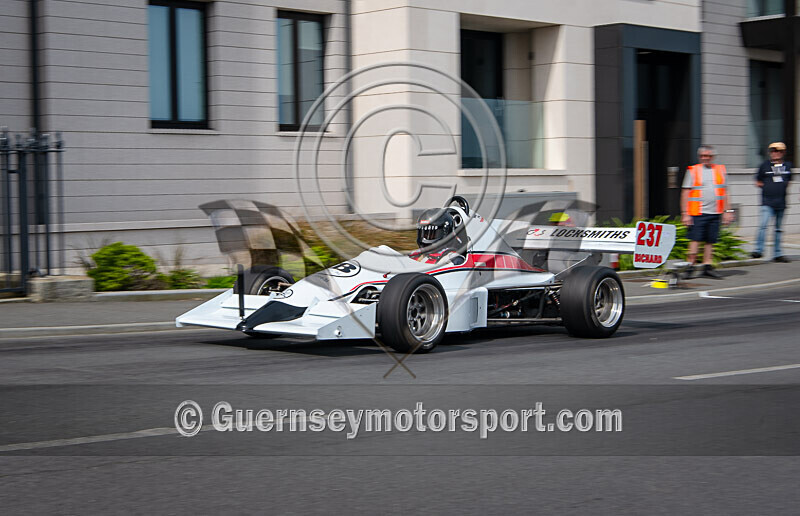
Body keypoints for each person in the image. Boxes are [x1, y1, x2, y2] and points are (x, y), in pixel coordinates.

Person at [681, 145, 734, 278]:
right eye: (703, 156)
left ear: (713, 157)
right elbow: (685, 192)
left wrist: (728, 211)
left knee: (711, 241)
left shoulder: (720, 170)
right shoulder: (693, 170)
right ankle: (690, 267)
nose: (706, 158)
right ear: (699, 157)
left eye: (708, 156)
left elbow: (725, 192)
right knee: (695, 240)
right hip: (697, 212)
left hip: (715, 212)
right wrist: (685, 213)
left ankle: (707, 267)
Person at [753, 142, 793, 262]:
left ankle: (778, 254)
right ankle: (758, 250)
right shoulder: (764, 165)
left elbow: (789, 181)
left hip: (781, 202)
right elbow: (758, 181)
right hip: (767, 202)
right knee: (763, 225)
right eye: (773, 151)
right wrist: (768, 188)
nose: (775, 153)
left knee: (778, 229)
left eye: (778, 151)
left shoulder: (788, 165)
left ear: (783, 153)